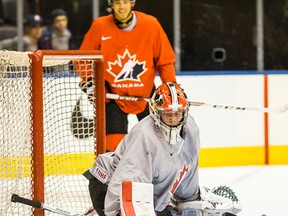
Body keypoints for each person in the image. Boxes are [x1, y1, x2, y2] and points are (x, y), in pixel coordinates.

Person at [84, 82, 200, 216]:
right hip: (108, 188)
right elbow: (124, 187)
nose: (173, 120)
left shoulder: (191, 130)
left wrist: (191, 204)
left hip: (145, 195)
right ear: (156, 113)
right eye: (167, 114)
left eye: (178, 113)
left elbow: (188, 184)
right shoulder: (145, 136)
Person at [77, 0, 177, 152]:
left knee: (157, 140)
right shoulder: (100, 26)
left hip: (146, 94)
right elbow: (82, 61)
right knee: (113, 145)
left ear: (132, 3)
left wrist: (170, 88)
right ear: (111, 5)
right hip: (112, 96)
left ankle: (155, 173)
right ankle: (113, 175)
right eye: (117, 3)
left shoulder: (151, 24)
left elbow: (165, 61)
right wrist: (93, 87)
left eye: (125, 2)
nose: (122, 7)